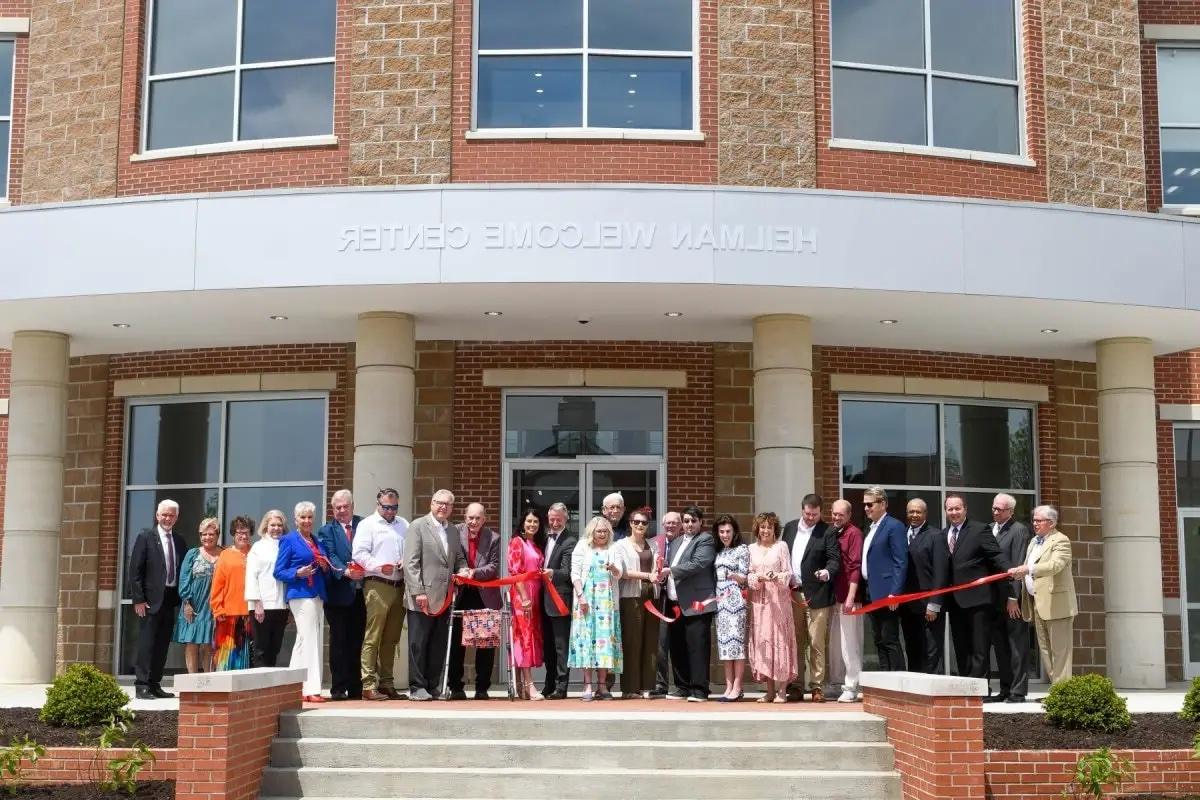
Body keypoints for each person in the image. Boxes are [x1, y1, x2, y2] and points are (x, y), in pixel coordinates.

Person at [403, 489, 469, 701]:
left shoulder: (452, 531)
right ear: (431, 503)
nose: (443, 507)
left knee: (438, 644)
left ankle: (432, 685)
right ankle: (417, 686)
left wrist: (464, 569)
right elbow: (410, 563)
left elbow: (458, 558)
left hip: (445, 598)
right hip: (422, 598)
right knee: (418, 644)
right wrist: (418, 591)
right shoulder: (418, 526)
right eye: (439, 503)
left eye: (447, 504)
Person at [781, 494, 840, 702]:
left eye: (815, 514)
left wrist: (826, 572)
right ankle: (796, 685)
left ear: (820, 512)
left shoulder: (828, 531)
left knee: (816, 641)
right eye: (807, 513)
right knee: (796, 641)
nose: (811, 518)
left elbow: (834, 559)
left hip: (818, 594)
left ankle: (816, 686)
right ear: (802, 510)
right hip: (793, 593)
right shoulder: (789, 528)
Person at [944, 493, 1010, 679]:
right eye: (950, 509)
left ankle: (980, 689)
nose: (954, 512)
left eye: (958, 508)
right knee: (961, 646)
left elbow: (996, 555)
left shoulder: (979, 530)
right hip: (955, 602)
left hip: (978, 600)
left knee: (979, 647)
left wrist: (1010, 570)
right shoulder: (944, 534)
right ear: (946, 511)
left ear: (965, 509)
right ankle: (966, 687)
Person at [1009, 505, 1076, 685]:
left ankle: (1062, 694)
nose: (1035, 524)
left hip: (1057, 604)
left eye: (1039, 520)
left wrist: (1029, 569)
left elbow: (1055, 565)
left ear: (1051, 523)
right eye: (1034, 520)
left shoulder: (1061, 541)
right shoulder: (1034, 542)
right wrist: (1019, 573)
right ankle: (1057, 689)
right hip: (1037, 602)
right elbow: (1027, 567)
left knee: (1060, 651)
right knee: (1045, 650)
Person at [353, 488, 409, 701]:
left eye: (394, 507)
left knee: (392, 638)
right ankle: (368, 684)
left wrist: (405, 559)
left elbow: (411, 549)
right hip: (377, 584)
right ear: (378, 504)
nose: (390, 511)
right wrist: (377, 566)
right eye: (386, 507)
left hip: (399, 584)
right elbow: (358, 553)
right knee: (373, 635)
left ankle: (387, 683)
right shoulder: (368, 525)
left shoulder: (404, 524)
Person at [274, 501, 332, 703]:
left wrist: (325, 566)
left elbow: (324, 567)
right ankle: (312, 688)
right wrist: (297, 572)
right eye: (303, 517)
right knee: (310, 639)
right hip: (300, 594)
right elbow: (279, 571)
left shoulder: (316, 541)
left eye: (309, 517)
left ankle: (293, 686)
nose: (307, 521)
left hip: (316, 593)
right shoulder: (288, 540)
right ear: (296, 519)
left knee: (302, 640)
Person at [129, 499, 187, 699]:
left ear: (176, 517)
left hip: (170, 599)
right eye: (164, 515)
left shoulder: (179, 541)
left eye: (171, 515)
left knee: (162, 644)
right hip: (149, 601)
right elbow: (135, 570)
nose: (167, 518)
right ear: (157, 515)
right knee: (147, 644)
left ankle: (155, 684)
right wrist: (138, 599)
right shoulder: (146, 536)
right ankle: (142, 685)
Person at [658, 505, 717, 702]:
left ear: (700, 522)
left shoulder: (706, 540)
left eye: (693, 521)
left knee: (697, 647)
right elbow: (668, 567)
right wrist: (661, 575)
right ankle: (682, 687)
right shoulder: (675, 542)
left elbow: (699, 563)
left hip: (697, 603)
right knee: (678, 647)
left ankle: (699, 690)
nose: (689, 524)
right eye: (686, 521)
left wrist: (671, 571)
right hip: (675, 603)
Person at [448, 502, 502, 700]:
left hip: (484, 594)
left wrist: (473, 572)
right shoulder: (453, 533)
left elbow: (493, 567)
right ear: (465, 517)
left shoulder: (493, 538)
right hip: (460, 594)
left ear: (484, 519)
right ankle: (455, 687)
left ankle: (482, 688)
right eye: (470, 517)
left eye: (478, 518)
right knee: (456, 644)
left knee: (485, 644)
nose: (474, 521)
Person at [317, 489, 366, 701]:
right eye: (338, 507)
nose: (342, 510)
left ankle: (356, 688)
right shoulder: (326, 530)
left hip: (362, 594)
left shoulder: (365, 524)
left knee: (357, 641)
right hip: (338, 594)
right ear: (333, 509)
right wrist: (346, 572)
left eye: (346, 506)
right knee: (338, 642)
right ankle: (338, 688)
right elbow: (330, 555)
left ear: (352, 506)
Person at [568, 516, 623, 701]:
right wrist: (580, 596)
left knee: (605, 643)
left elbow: (619, 574)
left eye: (605, 531)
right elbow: (574, 573)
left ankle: (602, 686)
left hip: (607, 604)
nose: (602, 534)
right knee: (586, 642)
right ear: (592, 532)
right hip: (586, 602)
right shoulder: (583, 546)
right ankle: (587, 685)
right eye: (599, 531)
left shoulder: (614, 548)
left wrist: (614, 568)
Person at [747, 511, 797, 702]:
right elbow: (749, 575)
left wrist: (776, 576)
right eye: (763, 527)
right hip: (760, 601)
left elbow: (788, 573)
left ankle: (782, 690)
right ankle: (769, 691)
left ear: (775, 529)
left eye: (769, 527)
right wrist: (758, 577)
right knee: (764, 643)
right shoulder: (751, 548)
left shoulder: (781, 546)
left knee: (781, 642)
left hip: (779, 601)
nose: (766, 530)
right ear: (757, 529)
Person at [990, 493, 1033, 703]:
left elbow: (1017, 564)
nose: (996, 512)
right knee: (1001, 646)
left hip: (1011, 599)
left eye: (1000, 509)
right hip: (994, 599)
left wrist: (1013, 597)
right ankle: (1005, 689)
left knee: (1017, 646)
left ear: (1011, 511)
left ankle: (1018, 691)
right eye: (994, 508)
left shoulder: (1019, 530)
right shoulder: (991, 529)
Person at [613, 506, 659, 698]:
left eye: (644, 522)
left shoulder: (653, 545)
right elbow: (622, 572)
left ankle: (646, 686)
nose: (640, 525)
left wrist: (658, 576)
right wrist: (648, 575)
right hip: (631, 597)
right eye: (636, 522)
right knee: (632, 643)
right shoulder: (620, 545)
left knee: (650, 642)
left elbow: (658, 569)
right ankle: (630, 688)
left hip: (652, 596)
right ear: (630, 523)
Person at [899, 498, 949, 674]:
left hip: (929, 605)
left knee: (931, 650)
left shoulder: (936, 536)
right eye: (911, 512)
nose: (914, 515)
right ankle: (915, 691)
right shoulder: (902, 534)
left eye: (918, 512)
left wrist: (934, 603)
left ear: (925, 514)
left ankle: (934, 691)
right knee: (912, 648)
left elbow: (941, 572)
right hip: (907, 605)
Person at [861, 486, 908, 671]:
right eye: (864, 504)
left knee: (889, 639)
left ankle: (897, 683)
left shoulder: (894, 526)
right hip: (871, 592)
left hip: (887, 594)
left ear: (883, 504)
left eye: (870, 504)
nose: (866, 508)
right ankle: (884, 681)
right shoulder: (871, 528)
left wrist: (895, 593)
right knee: (878, 639)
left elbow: (900, 562)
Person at [173, 518, 220, 676]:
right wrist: (187, 602)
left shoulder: (225, 553)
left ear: (217, 535)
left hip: (214, 604)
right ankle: (192, 680)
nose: (207, 537)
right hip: (194, 604)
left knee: (208, 643)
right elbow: (184, 579)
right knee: (192, 642)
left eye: (211, 534)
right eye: (203, 534)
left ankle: (208, 678)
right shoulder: (192, 554)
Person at [827, 499, 864, 702]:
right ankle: (837, 683)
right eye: (834, 513)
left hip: (848, 598)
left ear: (849, 515)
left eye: (841, 514)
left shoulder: (854, 534)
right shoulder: (833, 533)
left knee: (850, 643)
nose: (837, 517)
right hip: (834, 597)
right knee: (836, 644)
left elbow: (855, 567)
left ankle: (852, 686)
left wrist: (850, 597)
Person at [540, 502, 577, 699]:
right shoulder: (544, 538)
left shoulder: (570, 541)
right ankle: (548, 684)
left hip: (560, 600)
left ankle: (562, 687)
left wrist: (551, 573)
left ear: (566, 519)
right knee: (548, 646)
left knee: (561, 646)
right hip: (542, 600)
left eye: (558, 519)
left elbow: (567, 572)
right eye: (552, 519)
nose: (554, 522)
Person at [509, 509, 546, 700]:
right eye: (529, 521)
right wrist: (524, 597)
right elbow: (515, 573)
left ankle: (523, 686)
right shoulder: (517, 542)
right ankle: (529, 685)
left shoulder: (536, 544)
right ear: (523, 523)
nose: (532, 524)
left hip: (536, 593)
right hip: (522, 596)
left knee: (531, 637)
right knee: (524, 638)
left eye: (536, 522)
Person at [712, 514, 749, 702]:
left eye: (728, 531)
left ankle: (737, 686)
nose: (725, 535)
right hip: (721, 603)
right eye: (721, 531)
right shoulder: (719, 552)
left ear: (734, 532)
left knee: (737, 644)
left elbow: (745, 577)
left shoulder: (741, 549)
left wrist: (733, 576)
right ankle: (728, 686)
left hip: (735, 601)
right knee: (725, 645)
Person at [245, 509, 288, 667]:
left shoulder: (286, 545)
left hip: (281, 606)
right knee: (261, 649)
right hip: (261, 606)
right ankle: (259, 687)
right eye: (273, 525)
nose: (276, 528)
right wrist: (257, 603)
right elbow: (251, 576)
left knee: (275, 648)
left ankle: (271, 687)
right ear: (266, 526)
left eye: (279, 525)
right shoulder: (258, 547)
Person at [210, 516, 254, 671]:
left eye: (246, 532)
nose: (243, 536)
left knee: (247, 659)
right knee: (227, 659)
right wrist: (218, 608)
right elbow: (217, 585)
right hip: (228, 615)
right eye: (239, 532)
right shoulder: (225, 555)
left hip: (250, 613)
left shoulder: (255, 552)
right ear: (233, 534)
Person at [649, 510, 683, 698]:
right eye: (667, 523)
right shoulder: (655, 542)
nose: (670, 526)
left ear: (680, 525)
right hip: (660, 599)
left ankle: (681, 685)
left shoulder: (686, 543)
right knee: (661, 644)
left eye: (674, 523)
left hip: (680, 599)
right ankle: (661, 684)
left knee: (680, 644)